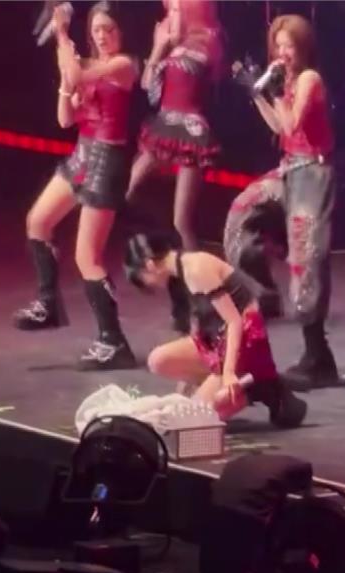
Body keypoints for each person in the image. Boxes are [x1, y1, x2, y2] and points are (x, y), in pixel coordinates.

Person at [12, 1, 140, 371]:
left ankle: (113, 342)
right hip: (82, 154)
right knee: (38, 221)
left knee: (88, 256)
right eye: (97, 29)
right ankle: (48, 304)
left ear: (121, 32)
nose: (102, 36)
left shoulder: (124, 64)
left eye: (109, 29)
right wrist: (67, 82)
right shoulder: (86, 64)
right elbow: (65, 119)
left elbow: (76, 71)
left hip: (107, 161)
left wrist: (62, 36)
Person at [223, 14, 339, 389]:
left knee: (306, 256)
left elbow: (292, 125)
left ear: (304, 47)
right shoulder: (285, 79)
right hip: (289, 169)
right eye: (279, 45)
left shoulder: (309, 79)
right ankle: (265, 296)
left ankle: (318, 357)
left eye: (290, 45)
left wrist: (272, 91)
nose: (284, 52)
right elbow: (277, 126)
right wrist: (257, 93)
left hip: (313, 173)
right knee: (243, 210)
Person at [124, 233, 307, 427]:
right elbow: (196, 327)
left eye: (141, 278)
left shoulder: (196, 269)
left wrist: (228, 373)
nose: (147, 285)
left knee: (194, 418)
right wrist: (184, 390)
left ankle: (260, 386)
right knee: (158, 361)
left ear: (150, 265)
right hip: (215, 341)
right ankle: (223, 385)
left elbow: (234, 322)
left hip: (243, 340)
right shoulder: (178, 274)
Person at [125, 0, 224, 334]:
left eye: (178, 9)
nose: (172, 15)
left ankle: (201, 298)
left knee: (182, 221)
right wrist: (158, 50)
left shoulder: (205, 45)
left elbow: (198, 77)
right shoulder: (169, 42)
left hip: (190, 131)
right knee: (125, 192)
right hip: (164, 125)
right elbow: (148, 89)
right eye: (171, 9)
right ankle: (174, 273)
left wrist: (171, 46)